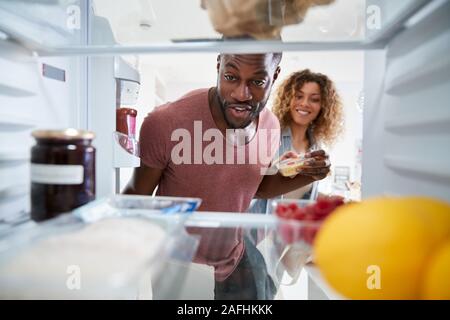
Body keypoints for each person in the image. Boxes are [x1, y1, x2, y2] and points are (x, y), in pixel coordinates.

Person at [123, 52, 331, 299]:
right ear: (218, 65)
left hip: (235, 260)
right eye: (231, 77)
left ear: (274, 75)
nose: (241, 94)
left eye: (257, 82)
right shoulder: (166, 121)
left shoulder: (270, 126)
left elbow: (257, 187)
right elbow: (135, 201)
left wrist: (308, 175)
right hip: (181, 267)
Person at [249, 69, 343, 213]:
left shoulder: (316, 146)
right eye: (299, 96)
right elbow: (251, 186)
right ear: (288, 99)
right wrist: (276, 169)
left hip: (291, 229)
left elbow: (299, 193)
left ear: (323, 106)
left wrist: (328, 199)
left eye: (314, 99)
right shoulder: (268, 134)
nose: (305, 103)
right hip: (259, 229)